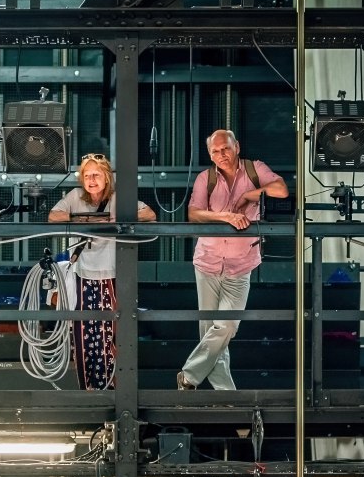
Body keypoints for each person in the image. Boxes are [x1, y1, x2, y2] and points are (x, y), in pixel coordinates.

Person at [178, 129, 286, 390]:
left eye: (225, 148)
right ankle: (227, 398)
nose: (221, 154)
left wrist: (253, 194)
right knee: (211, 334)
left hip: (241, 264)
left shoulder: (254, 169)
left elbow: (281, 189)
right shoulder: (206, 178)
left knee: (225, 326)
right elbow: (194, 214)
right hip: (208, 261)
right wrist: (225, 217)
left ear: (236, 146)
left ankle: (189, 376)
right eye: (215, 151)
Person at [49, 153, 156, 389]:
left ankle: (115, 393)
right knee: (85, 339)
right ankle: (90, 394)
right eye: (87, 175)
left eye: (96, 174)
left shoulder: (119, 198)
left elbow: (149, 214)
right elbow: (53, 216)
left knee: (110, 338)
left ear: (107, 177)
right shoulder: (76, 197)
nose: (91, 179)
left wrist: (114, 218)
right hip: (83, 275)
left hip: (113, 276)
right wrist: (85, 219)